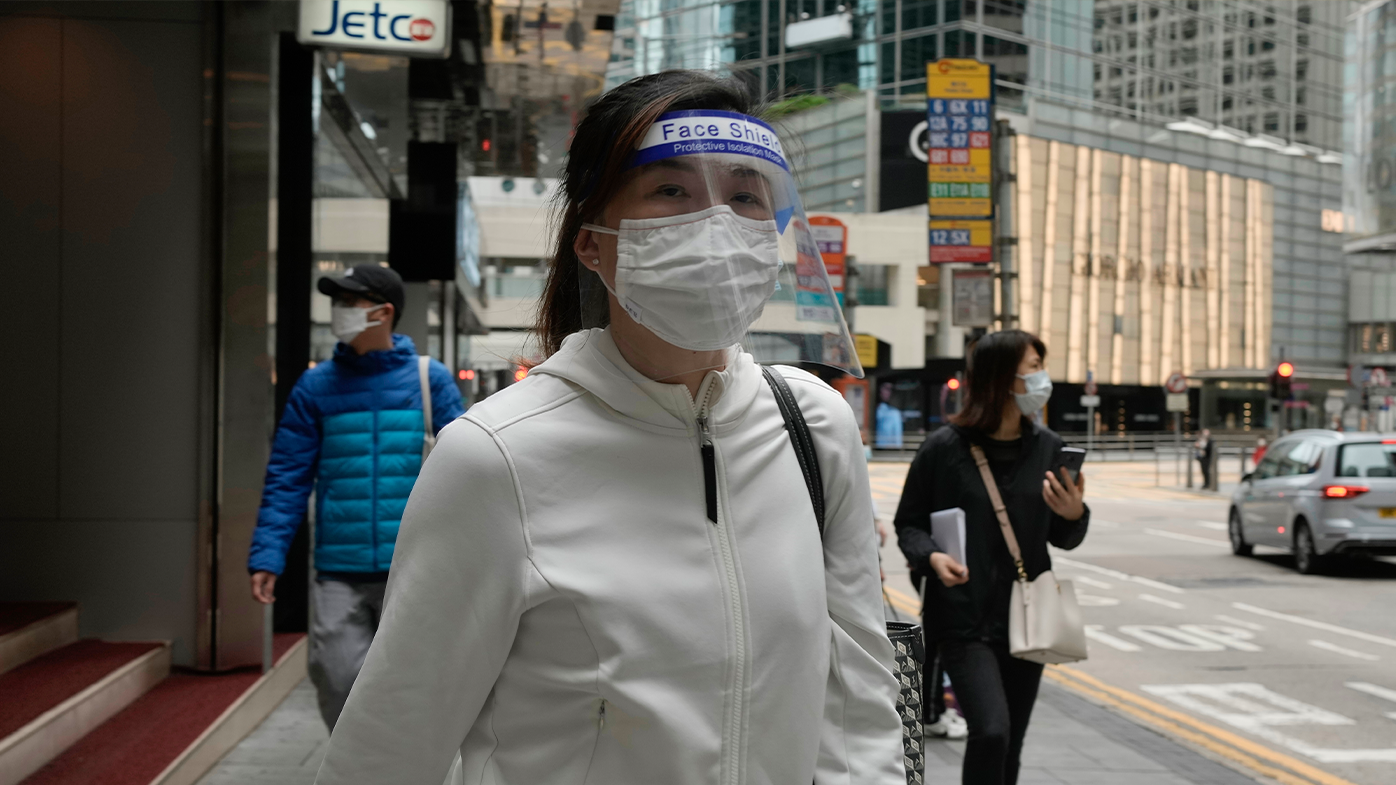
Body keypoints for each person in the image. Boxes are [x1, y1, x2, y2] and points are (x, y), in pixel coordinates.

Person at [314, 71, 904, 785]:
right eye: (670, 191)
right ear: (590, 242)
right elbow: (391, 740)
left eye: (746, 195)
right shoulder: (497, 455)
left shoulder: (815, 426)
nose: (715, 225)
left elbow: (858, 693)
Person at [248, 264, 465, 730]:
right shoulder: (316, 386)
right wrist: (268, 555)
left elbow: (467, 470)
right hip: (337, 571)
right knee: (337, 674)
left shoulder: (430, 381)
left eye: (351, 302)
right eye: (337, 302)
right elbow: (287, 474)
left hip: (413, 566)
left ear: (383, 312)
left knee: (413, 683)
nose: (339, 311)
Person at [893, 330, 1088, 785]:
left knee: (1011, 742)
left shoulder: (1049, 449)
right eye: (1033, 365)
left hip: (1027, 617)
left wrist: (1074, 514)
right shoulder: (944, 448)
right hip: (962, 617)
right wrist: (932, 558)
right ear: (1003, 377)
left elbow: (1064, 537)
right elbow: (910, 524)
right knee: (991, 731)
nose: (1043, 377)